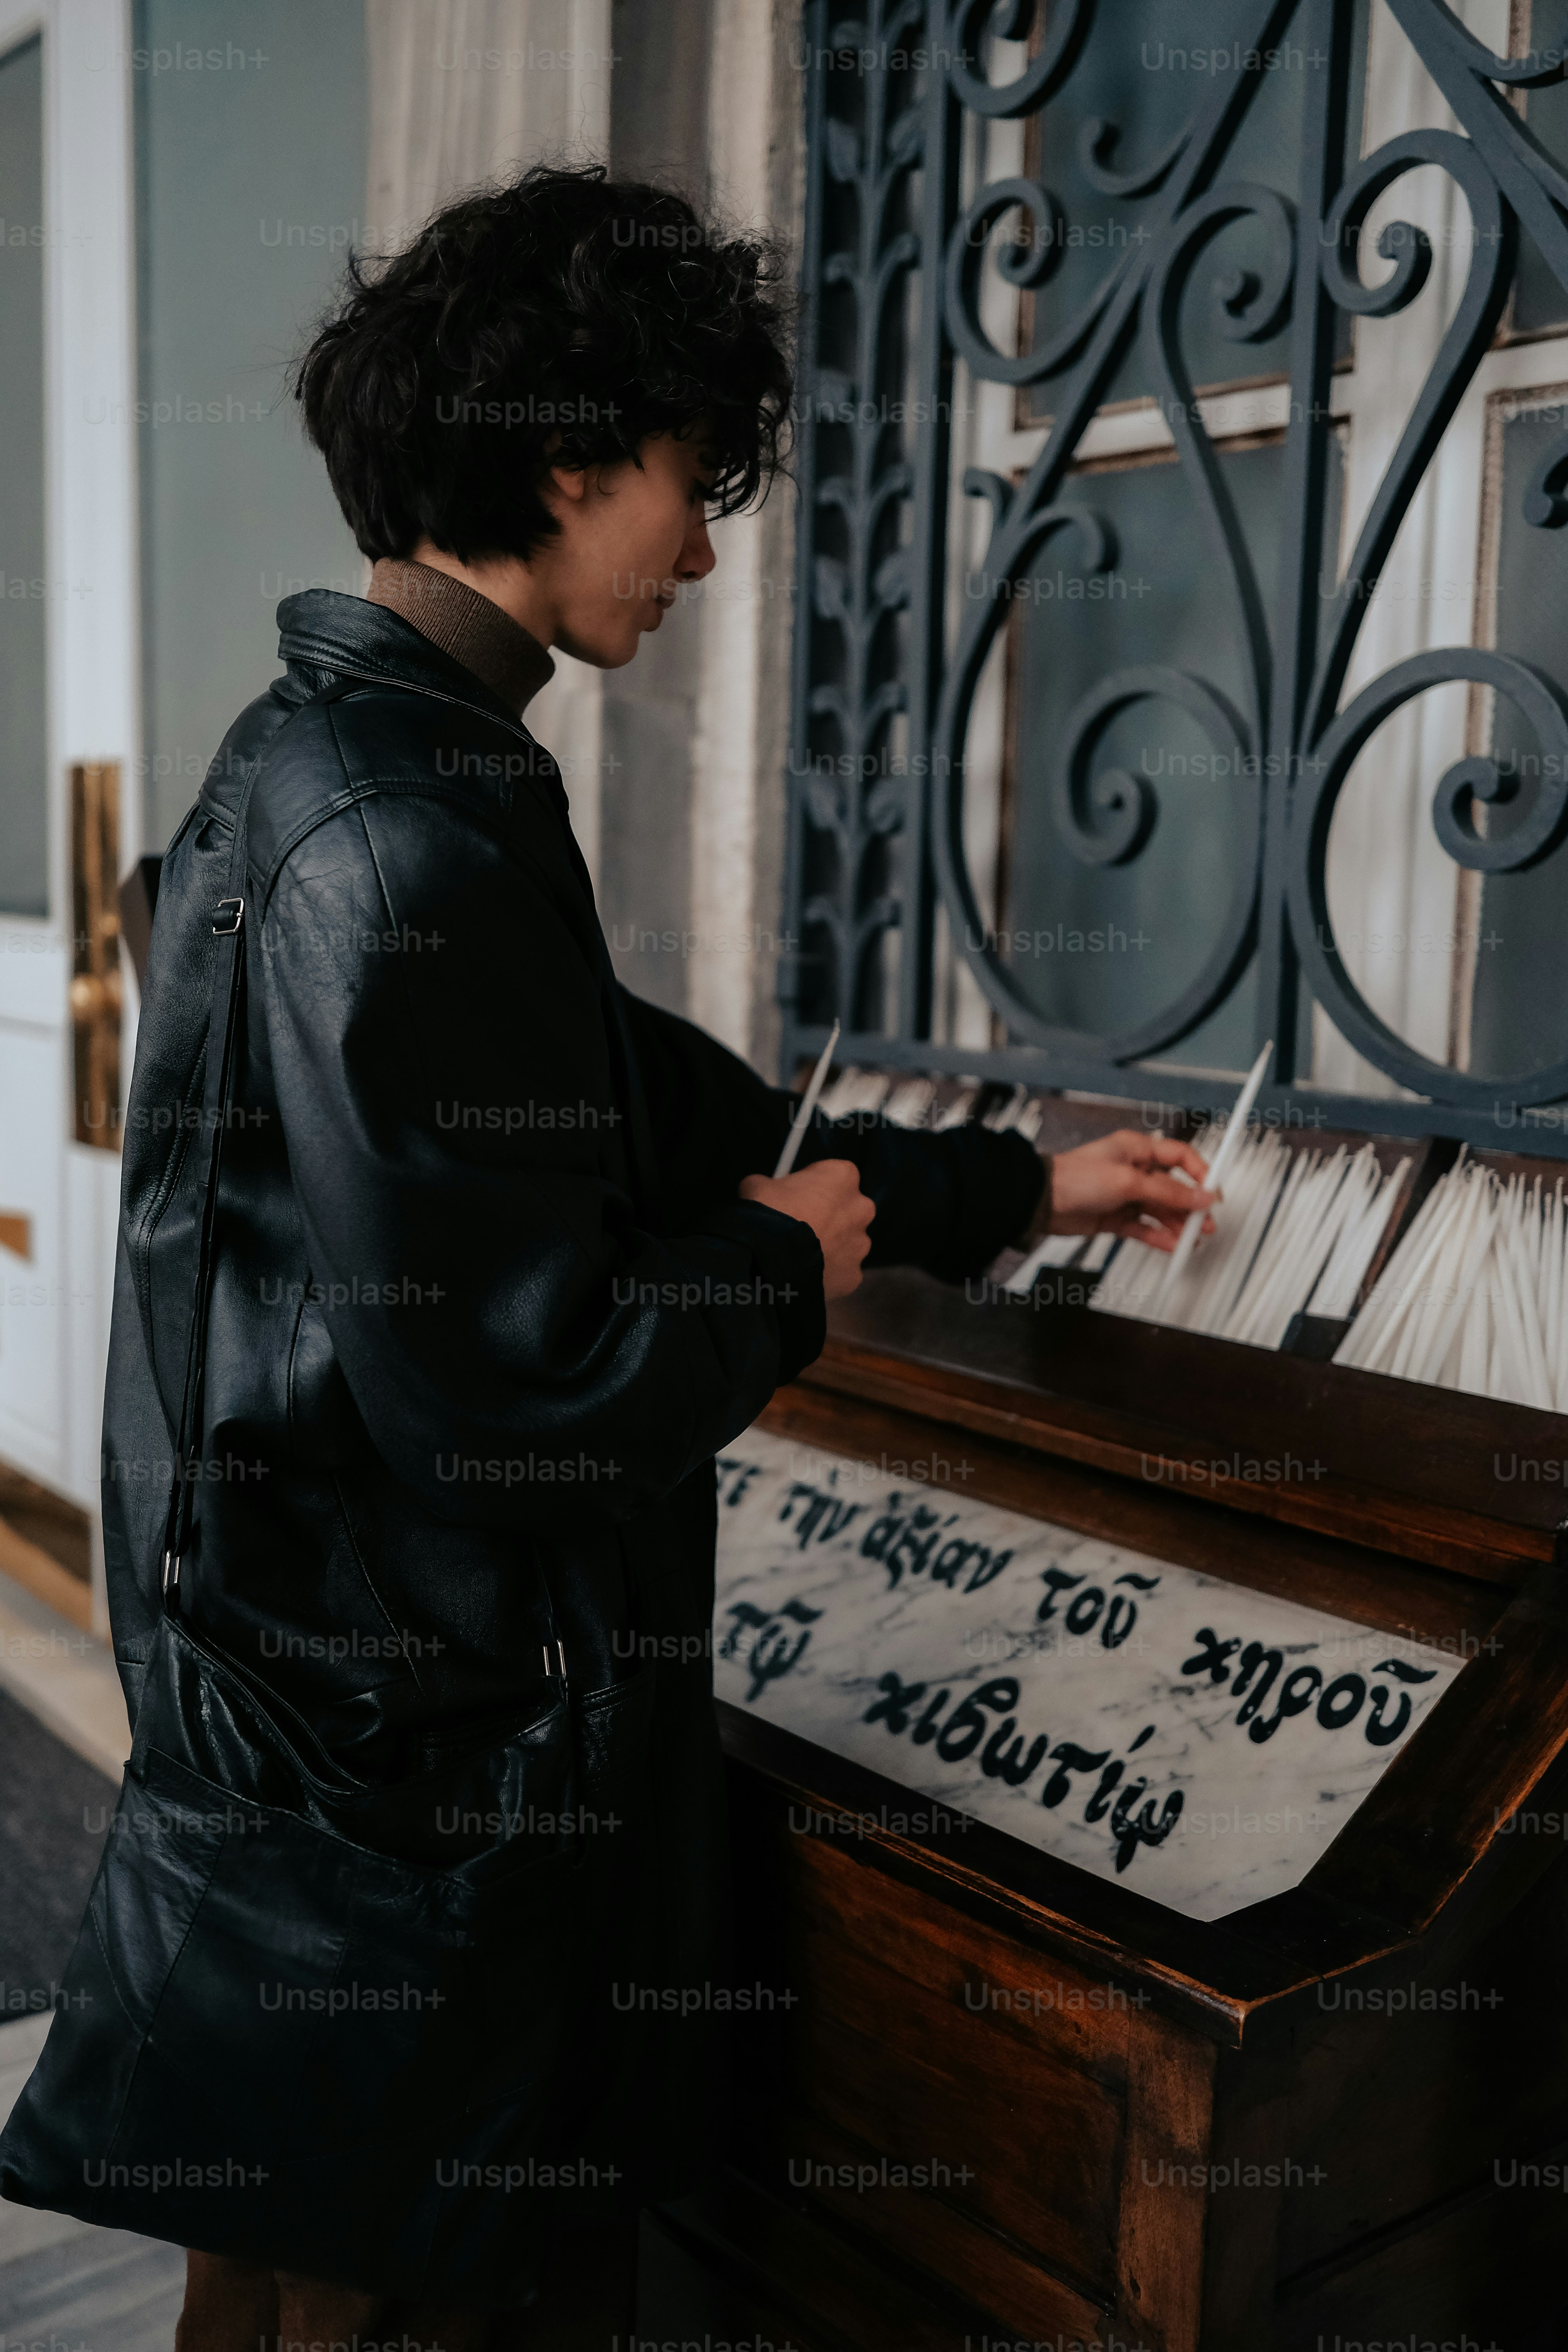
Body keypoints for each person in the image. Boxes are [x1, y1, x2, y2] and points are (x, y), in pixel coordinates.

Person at [0, 165, 1213, 2351]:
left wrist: (1008, 1192)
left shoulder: (321, 764)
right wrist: (767, 1271)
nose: (707, 546)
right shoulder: (413, 834)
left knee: (264, 2295)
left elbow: (646, 1113)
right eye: (685, 481)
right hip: (410, 1801)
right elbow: (514, 1394)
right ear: (566, 464)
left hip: (299, 1765)